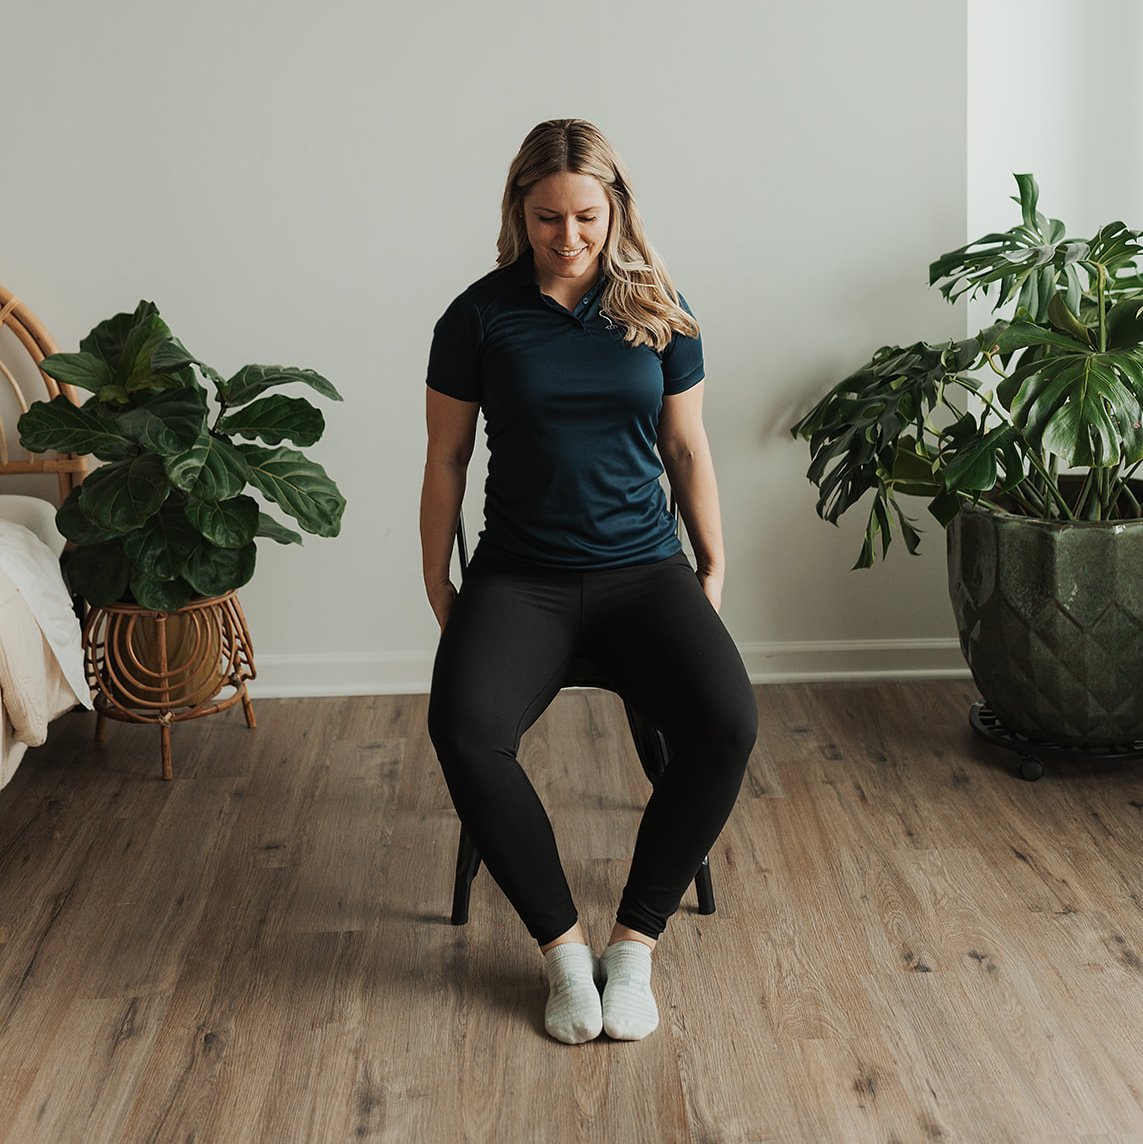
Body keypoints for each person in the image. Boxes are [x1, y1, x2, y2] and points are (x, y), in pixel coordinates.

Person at [420, 119, 758, 1044]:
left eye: (584, 217)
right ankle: (566, 954)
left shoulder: (656, 308)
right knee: (464, 730)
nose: (566, 239)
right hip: (520, 579)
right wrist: (437, 580)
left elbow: (685, 446)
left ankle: (634, 945)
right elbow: (445, 459)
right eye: (545, 219)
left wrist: (712, 562)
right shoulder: (478, 315)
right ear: (516, 213)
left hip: (643, 574)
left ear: (614, 211)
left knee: (727, 723)